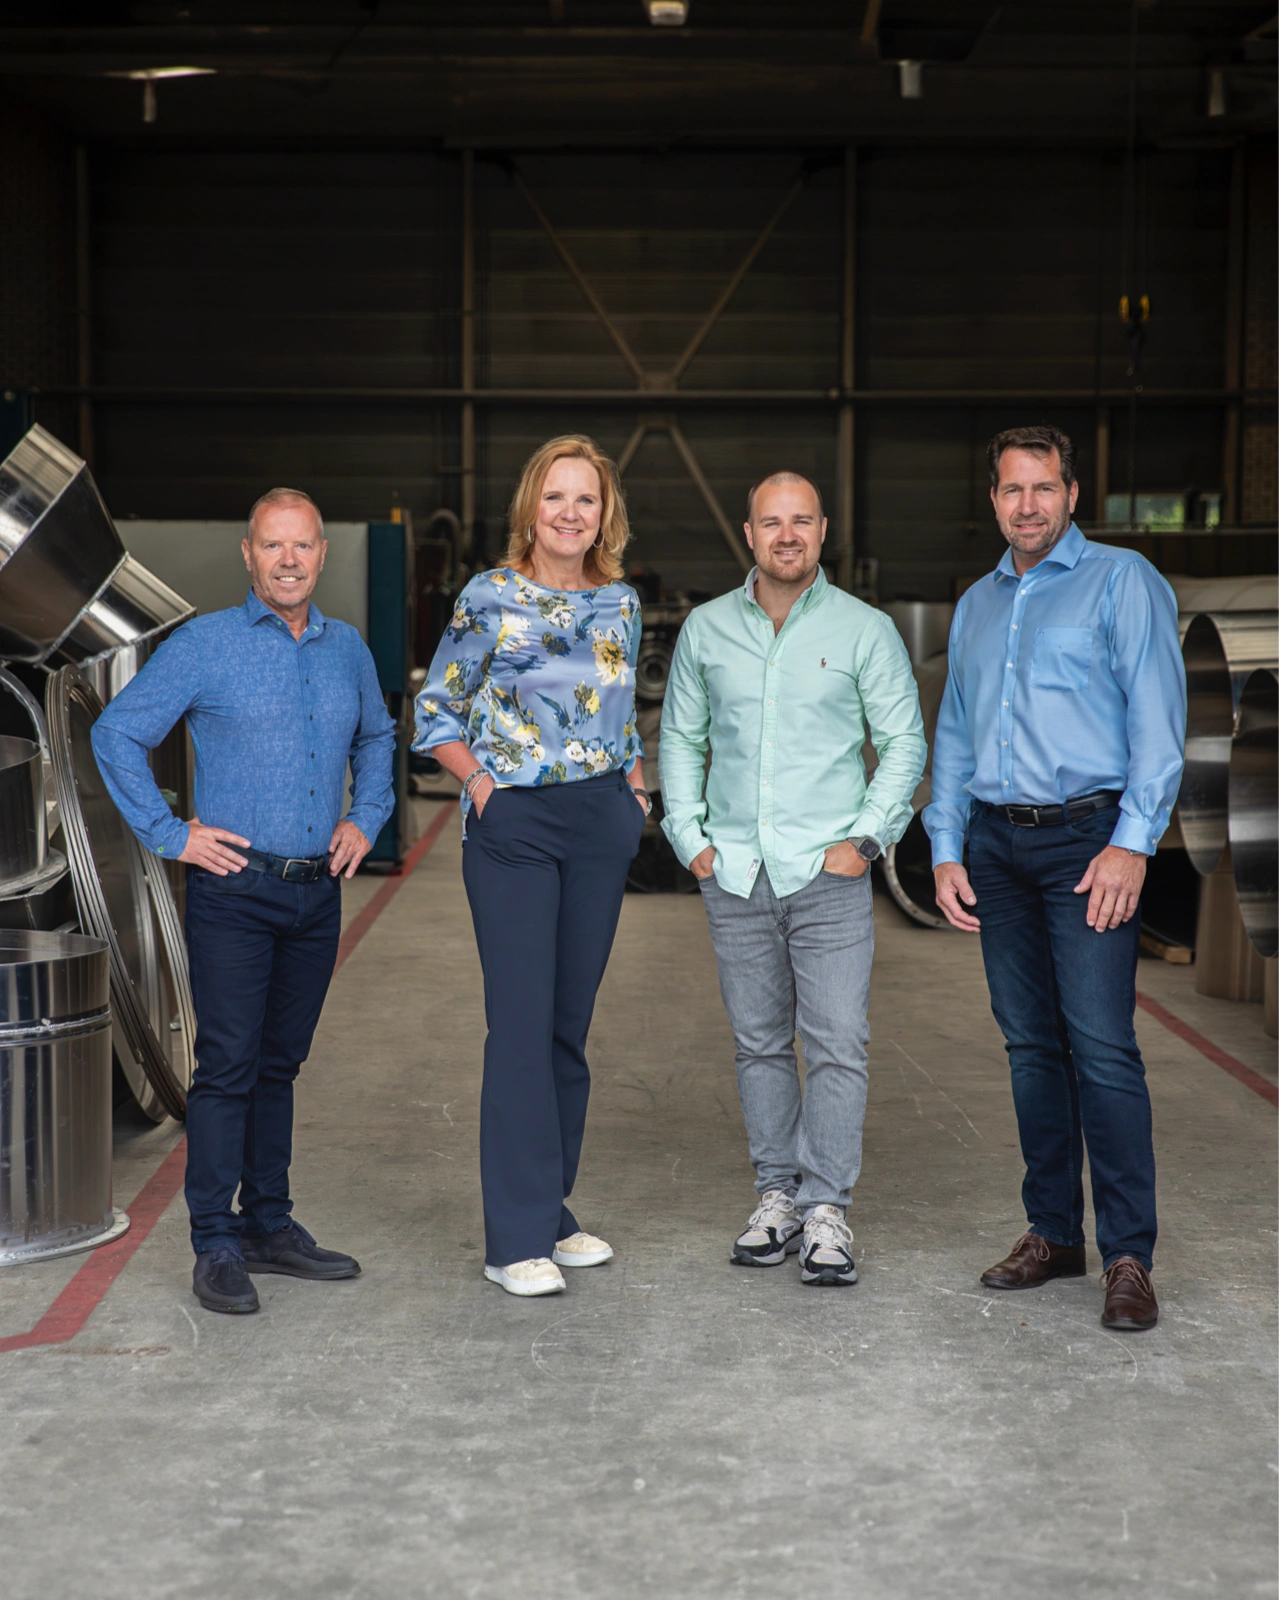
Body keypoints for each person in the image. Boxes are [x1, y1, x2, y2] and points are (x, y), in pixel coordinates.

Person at [92, 487, 395, 1316]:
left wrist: (365, 816)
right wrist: (169, 833)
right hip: (235, 890)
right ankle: (215, 1243)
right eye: (273, 546)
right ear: (248, 554)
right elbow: (115, 730)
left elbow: (377, 734)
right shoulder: (206, 645)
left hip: (315, 895)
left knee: (279, 1066)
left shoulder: (349, 652)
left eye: (302, 546)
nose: (289, 560)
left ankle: (269, 1224)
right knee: (227, 1068)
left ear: (322, 554)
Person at [925, 425, 1185, 1333]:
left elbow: (1158, 720)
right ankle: (1051, 1233)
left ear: (1071, 494)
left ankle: (1127, 1255)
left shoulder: (1122, 582)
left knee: (1102, 1046)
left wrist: (1132, 843)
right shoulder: (976, 604)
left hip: (1087, 843)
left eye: (1042, 488)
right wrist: (946, 843)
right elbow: (954, 734)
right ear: (991, 500)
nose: (1025, 505)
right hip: (995, 848)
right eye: (1009, 490)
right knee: (1030, 1047)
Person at [660, 472, 926, 1287]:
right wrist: (689, 840)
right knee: (759, 1044)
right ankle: (775, 1196)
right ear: (748, 534)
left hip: (827, 872)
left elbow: (904, 744)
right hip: (735, 873)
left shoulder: (864, 630)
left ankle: (825, 1210)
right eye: (770, 522)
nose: (785, 535)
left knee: (837, 1042)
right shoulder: (706, 630)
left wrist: (865, 841)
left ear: (821, 530)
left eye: (800, 521)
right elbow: (680, 739)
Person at [413, 434, 648, 1298]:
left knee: (564, 1028)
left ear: (603, 515)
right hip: (514, 823)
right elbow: (435, 709)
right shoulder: (490, 596)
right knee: (518, 1026)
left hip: (598, 822)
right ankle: (512, 1240)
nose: (569, 514)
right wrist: (482, 789)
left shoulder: (619, 603)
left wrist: (634, 796)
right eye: (556, 497)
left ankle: (548, 1208)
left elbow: (620, 721)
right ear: (531, 508)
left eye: (585, 500)